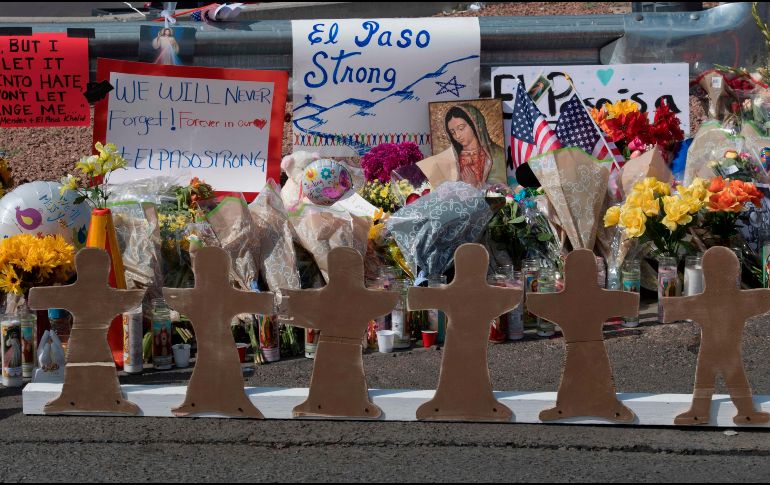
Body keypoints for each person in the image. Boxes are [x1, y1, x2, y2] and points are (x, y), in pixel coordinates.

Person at [443, 105, 507, 187]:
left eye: (461, 128)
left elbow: (501, 189)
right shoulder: (451, 159)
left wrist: (475, 185)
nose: (457, 136)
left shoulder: (497, 155)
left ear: (475, 125)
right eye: (452, 132)